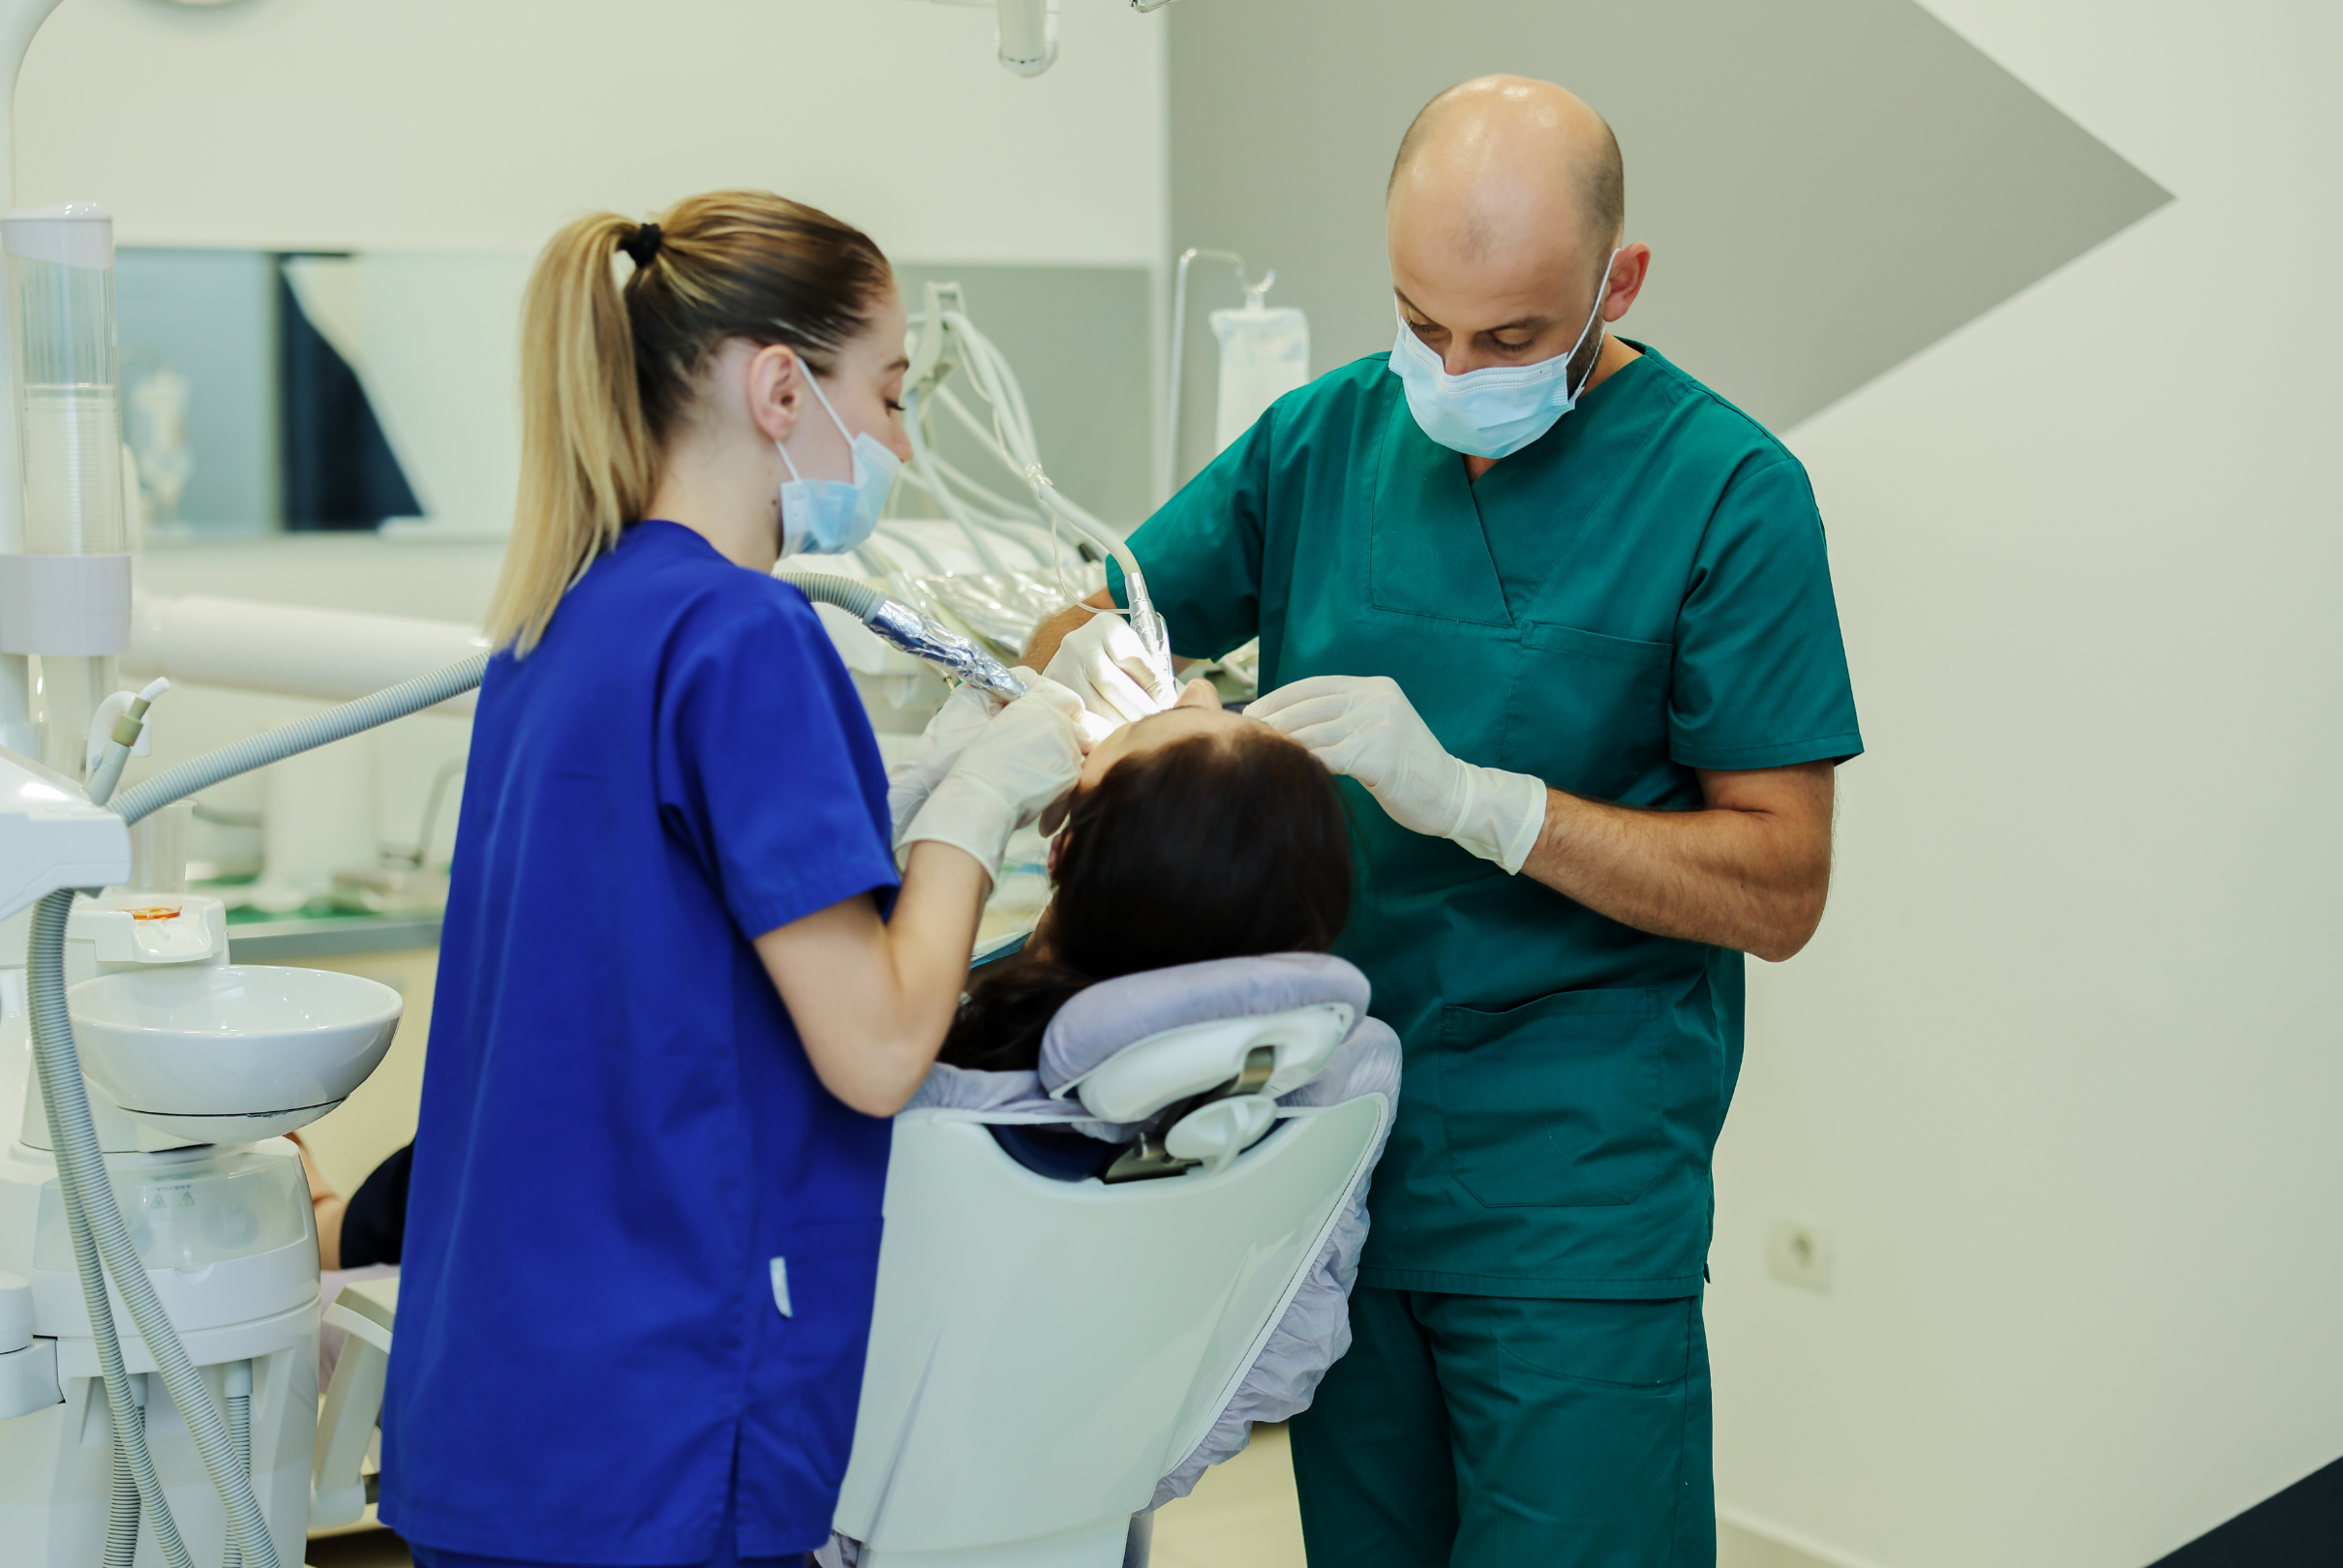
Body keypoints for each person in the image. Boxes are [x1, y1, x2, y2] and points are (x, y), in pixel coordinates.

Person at [1027, 76, 1863, 1567]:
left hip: (1572, 1186)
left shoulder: (1730, 494)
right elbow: (1087, 627)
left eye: (1512, 337)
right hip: (1330, 1149)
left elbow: (1781, 886)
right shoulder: (1322, 441)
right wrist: (1117, 683)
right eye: (1422, 322)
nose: (1453, 368)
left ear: (1620, 285)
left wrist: (1487, 807)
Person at [379, 191, 1088, 1568]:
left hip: (511, 1417)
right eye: (887, 394)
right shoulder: (748, 633)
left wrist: (911, 796)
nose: (897, 440)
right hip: (663, 1422)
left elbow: (662, 941)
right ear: (779, 387)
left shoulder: (557, 626)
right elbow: (878, 1047)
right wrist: (982, 806)